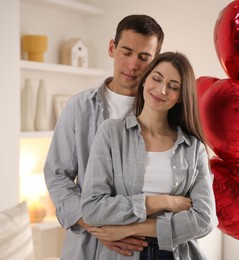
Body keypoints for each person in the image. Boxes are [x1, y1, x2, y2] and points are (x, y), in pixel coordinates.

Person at [44, 15, 164, 259]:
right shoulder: (79, 107)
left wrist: (130, 229)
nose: (132, 64)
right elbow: (57, 175)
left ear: (156, 61)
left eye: (144, 57)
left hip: (143, 248)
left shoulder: (163, 115)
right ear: (112, 48)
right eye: (126, 52)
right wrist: (100, 228)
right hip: (87, 247)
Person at [81, 51, 218, 260]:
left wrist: (131, 228)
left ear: (181, 96)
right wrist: (164, 202)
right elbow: (92, 208)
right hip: (122, 253)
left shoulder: (193, 148)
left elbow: (205, 220)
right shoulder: (111, 133)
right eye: (157, 78)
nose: (161, 90)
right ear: (145, 80)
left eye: (173, 87)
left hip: (173, 254)